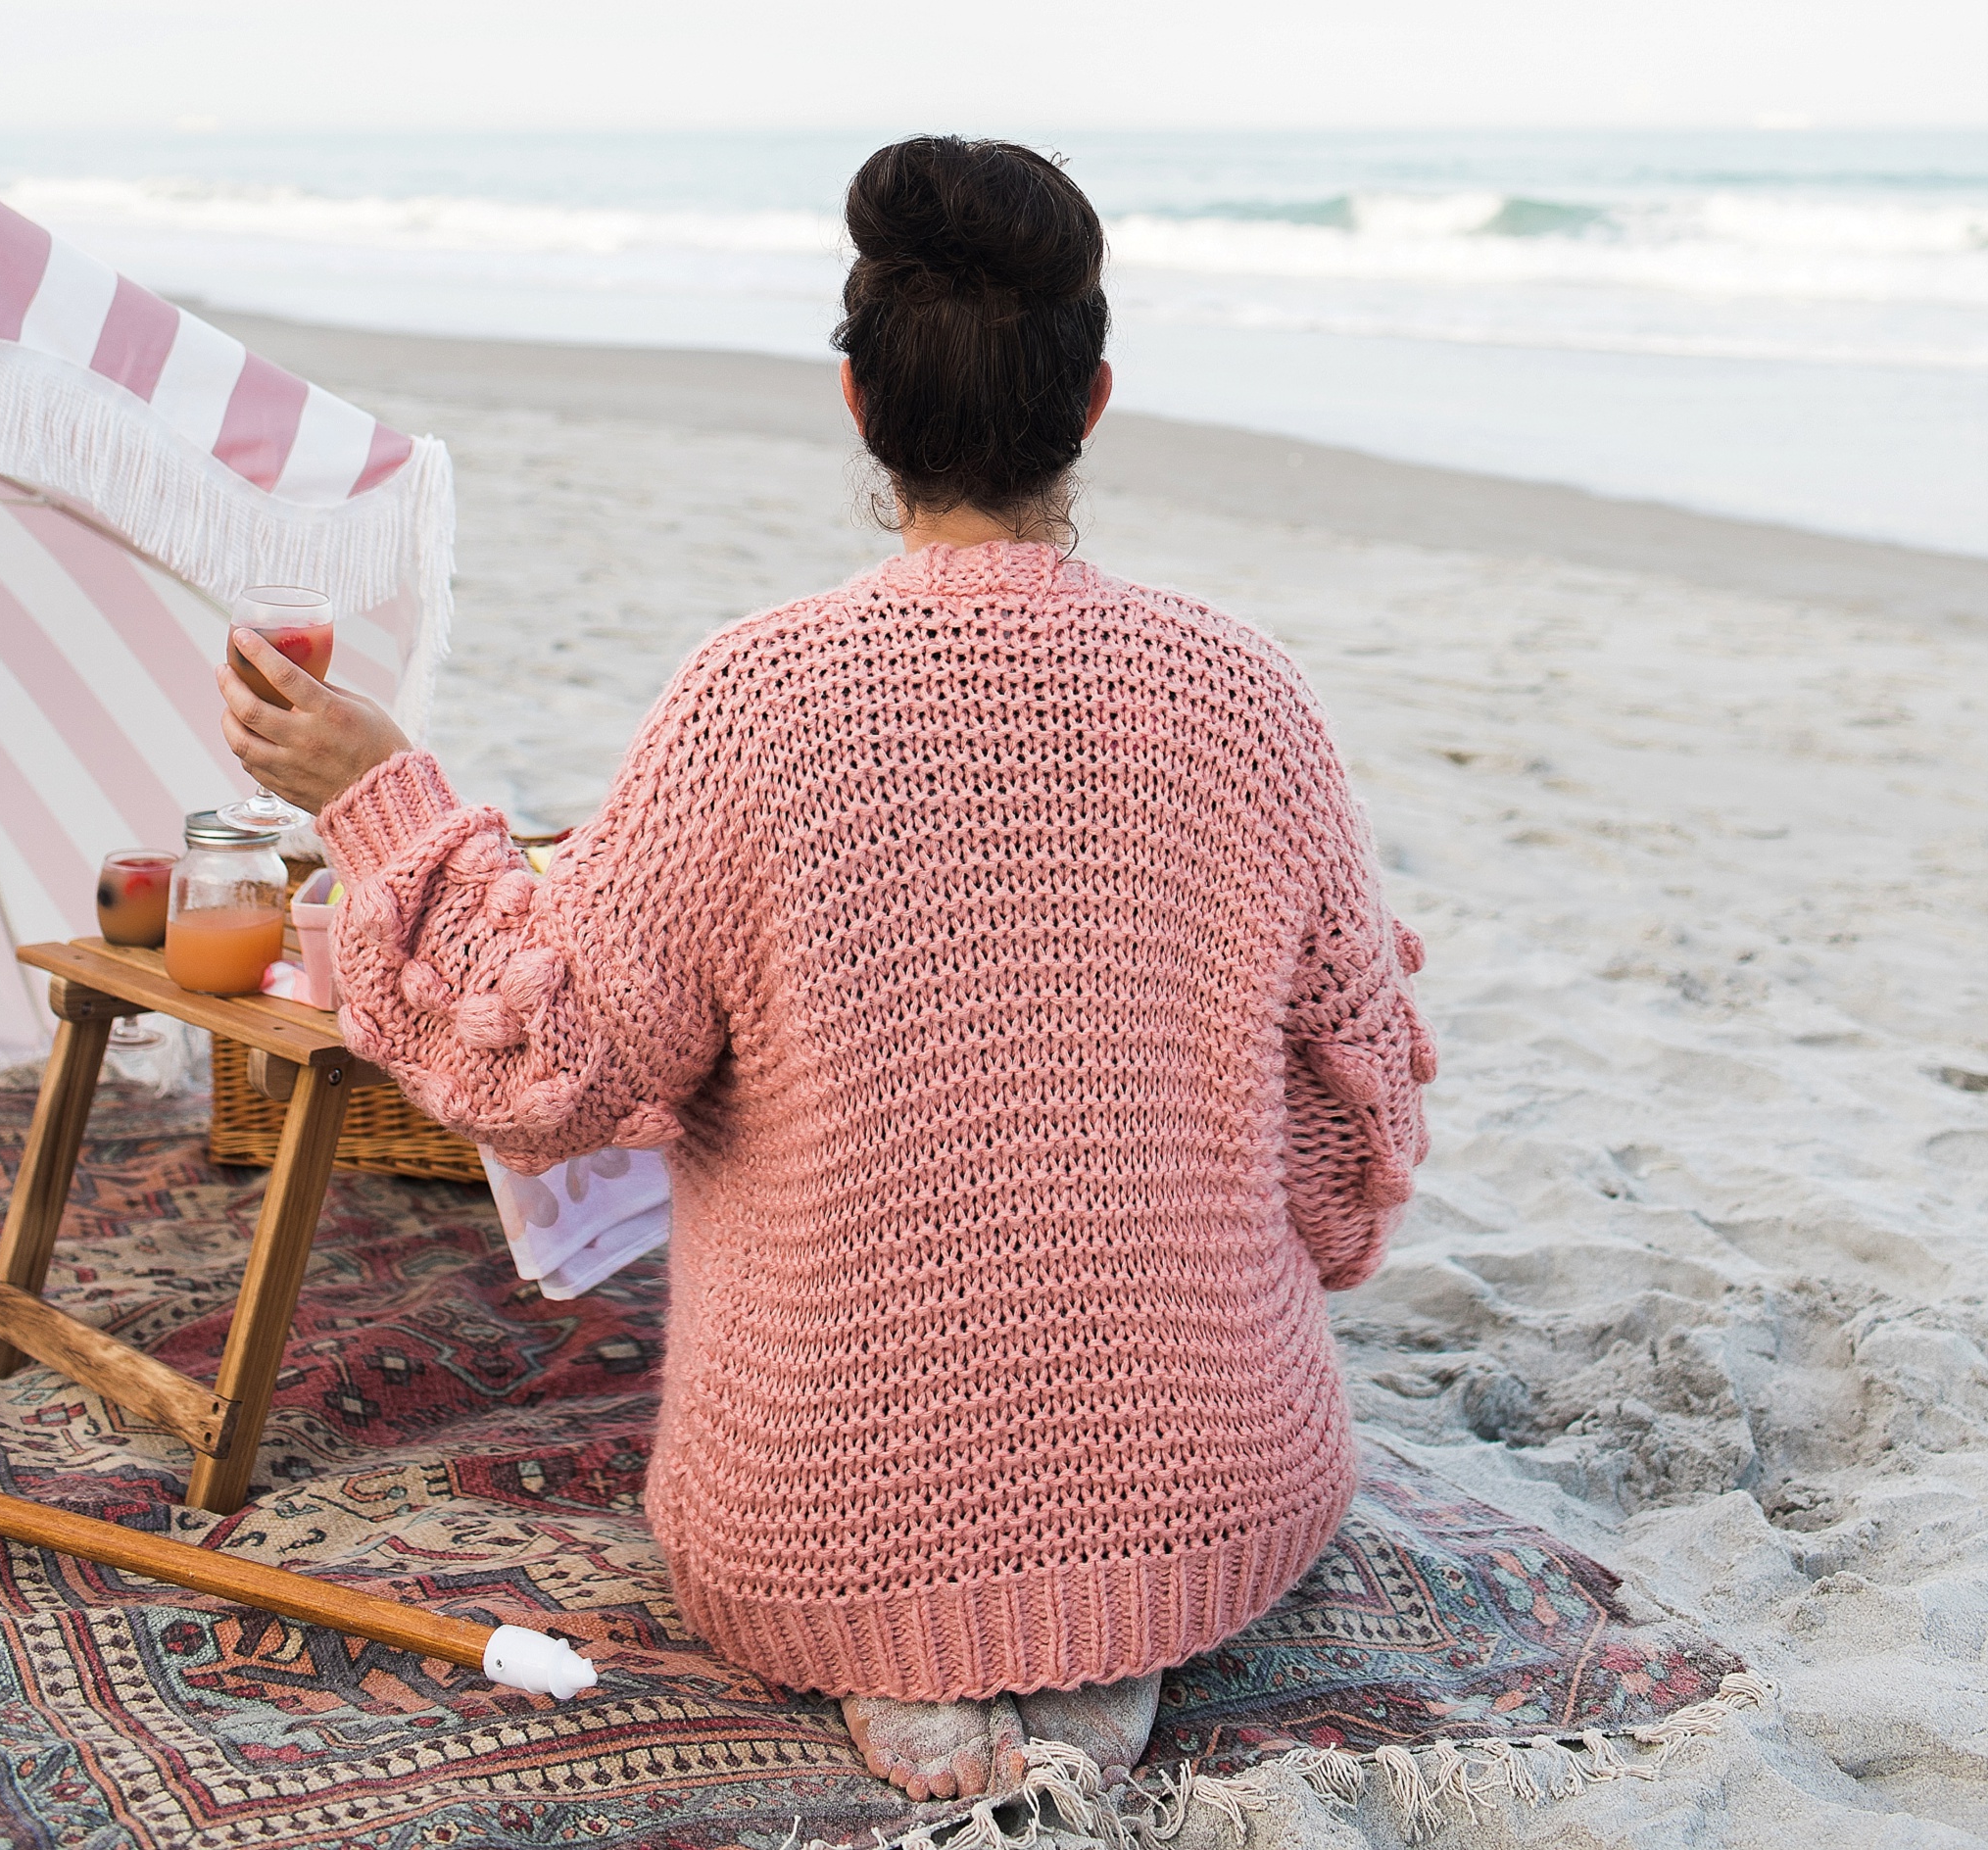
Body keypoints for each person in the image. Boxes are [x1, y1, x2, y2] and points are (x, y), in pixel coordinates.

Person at [218, 135, 1434, 1806]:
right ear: (1089, 404)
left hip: (818, 1523)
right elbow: (1350, 1135)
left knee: (842, 1504)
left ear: (860, 407)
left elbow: (545, 1066)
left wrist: (377, 799)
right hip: (1212, 1483)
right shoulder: (1246, 698)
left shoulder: (757, 701)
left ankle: (923, 1646)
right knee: (1172, 1421)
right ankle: (1103, 1628)